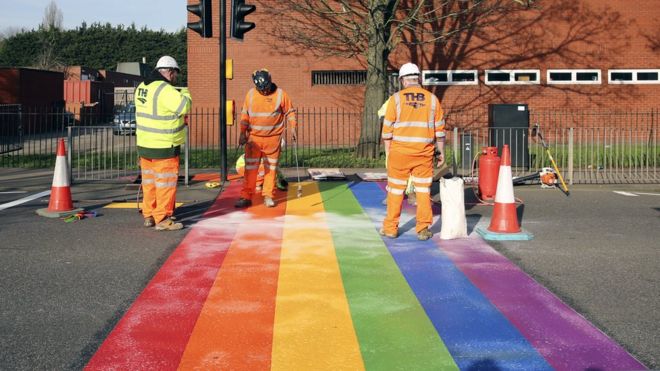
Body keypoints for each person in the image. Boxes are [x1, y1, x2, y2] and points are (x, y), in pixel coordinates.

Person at [380, 62, 445, 240]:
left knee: (395, 191)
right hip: (424, 154)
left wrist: (388, 153)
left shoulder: (396, 99)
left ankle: (391, 228)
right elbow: (439, 130)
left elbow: (387, 131)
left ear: (402, 80)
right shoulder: (432, 99)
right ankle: (423, 229)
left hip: (399, 154)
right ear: (418, 78)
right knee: (423, 191)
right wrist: (441, 152)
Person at [134, 56, 191, 231]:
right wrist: (186, 92)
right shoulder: (165, 90)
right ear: (170, 72)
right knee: (165, 184)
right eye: (175, 74)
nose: (175, 78)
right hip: (164, 146)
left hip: (145, 145)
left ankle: (149, 215)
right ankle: (163, 219)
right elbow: (185, 107)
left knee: (150, 183)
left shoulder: (142, 87)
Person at [235, 68, 297, 208]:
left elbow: (290, 112)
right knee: (250, 169)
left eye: (266, 88)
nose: (264, 91)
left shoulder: (281, 95)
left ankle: (268, 196)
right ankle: (246, 196)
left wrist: (293, 127)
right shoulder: (251, 95)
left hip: (272, 140)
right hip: (253, 140)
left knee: (271, 169)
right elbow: (245, 116)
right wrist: (242, 133)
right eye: (261, 89)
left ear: (270, 81)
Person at [378, 99, 416, 206]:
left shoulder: (421, 99)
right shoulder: (394, 99)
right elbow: (382, 114)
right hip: (395, 139)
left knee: (412, 167)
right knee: (393, 167)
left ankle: (411, 192)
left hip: (412, 139)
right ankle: (393, 193)